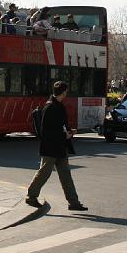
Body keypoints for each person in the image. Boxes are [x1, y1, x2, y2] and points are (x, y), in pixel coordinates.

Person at [25, 80, 87, 211]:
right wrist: (64, 135)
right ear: (63, 92)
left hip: (59, 147)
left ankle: (74, 202)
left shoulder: (58, 105)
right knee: (44, 173)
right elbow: (46, 131)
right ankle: (31, 196)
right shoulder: (50, 107)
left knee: (65, 175)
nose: (66, 94)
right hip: (50, 147)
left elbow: (61, 125)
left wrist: (69, 132)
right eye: (66, 91)